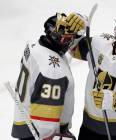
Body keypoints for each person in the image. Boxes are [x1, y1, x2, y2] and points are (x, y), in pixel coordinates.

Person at [12, 12, 85, 140]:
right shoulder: (53, 71)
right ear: (57, 38)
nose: (71, 42)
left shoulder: (34, 45)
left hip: (25, 120)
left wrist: (80, 23)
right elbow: (44, 120)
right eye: (67, 39)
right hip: (38, 131)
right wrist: (56, 136)